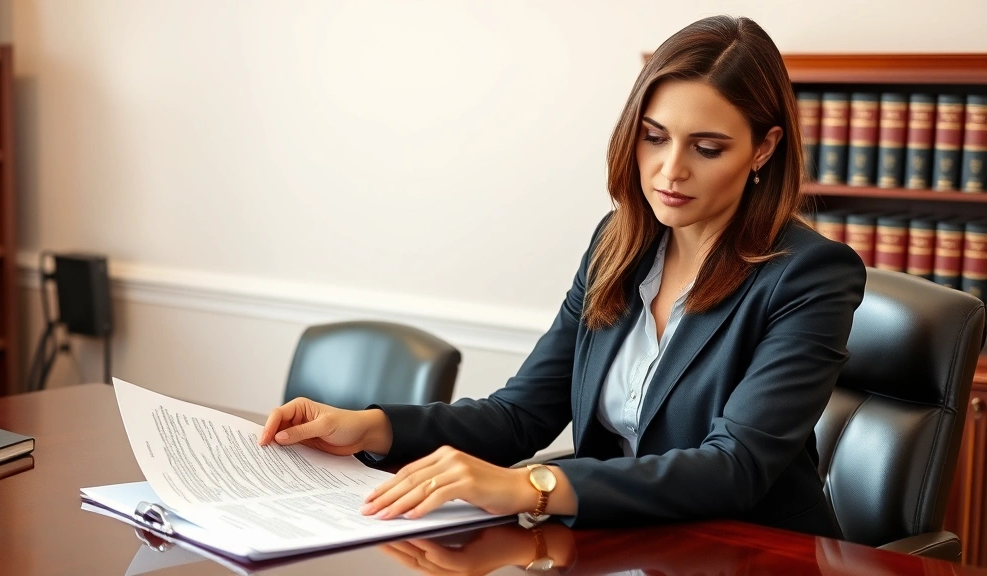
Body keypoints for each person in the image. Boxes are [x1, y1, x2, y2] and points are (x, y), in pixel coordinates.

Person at [259, 14, 866, 538]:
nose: (670, 170)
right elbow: (520, 415)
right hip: (624, 545)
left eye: (707, 149)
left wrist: (534, 486)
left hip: (751, 554)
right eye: (654, 138)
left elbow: (734, 467)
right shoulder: (617, 244)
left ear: (763, 149)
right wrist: (373, 426)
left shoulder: (809, 277)